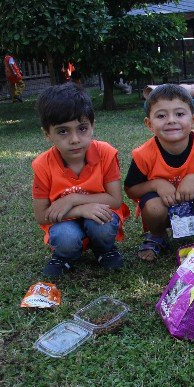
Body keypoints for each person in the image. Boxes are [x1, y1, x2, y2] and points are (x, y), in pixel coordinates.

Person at [32, 83, 130, 277]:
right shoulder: (42, 165)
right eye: (63, 131)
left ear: (92, 126)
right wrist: (79, 209)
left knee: (103, 225)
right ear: (47, 134)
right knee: (66, 237)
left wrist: (73, 199)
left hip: (99, 216)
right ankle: (65, 256)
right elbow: (42, 215)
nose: (75, 139)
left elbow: (115, 200)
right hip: (63, 223)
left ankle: (104, 250)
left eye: (82, 128)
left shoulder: (106, 153)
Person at [124, 84, 194, 261]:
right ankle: (158, 236)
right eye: (161, 116)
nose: (171, 120)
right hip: (162, 204)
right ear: (149, 124)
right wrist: (156, 184)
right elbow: (131, 189)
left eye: (179, 114)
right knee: (153, 208)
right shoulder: (143, 154)